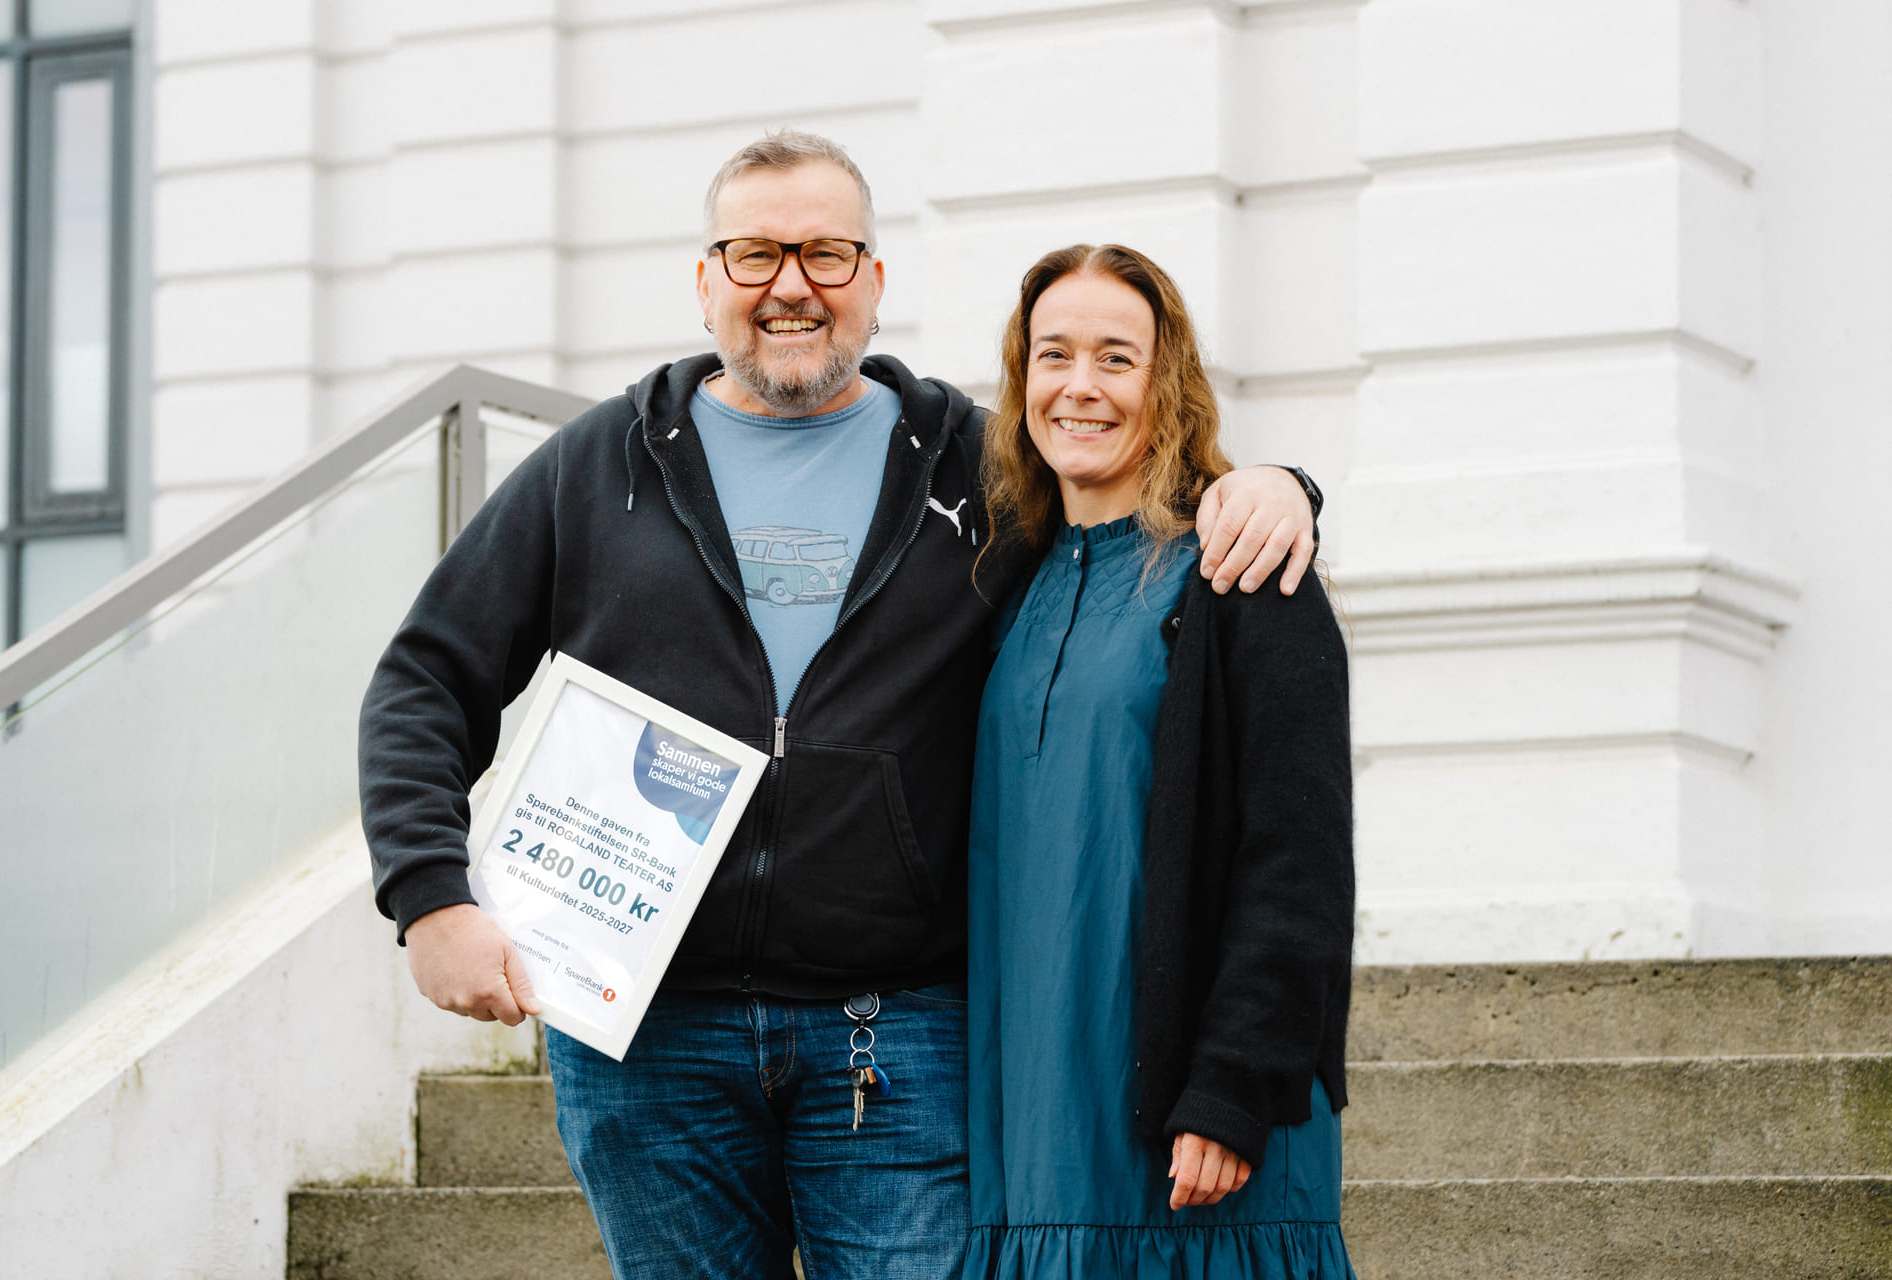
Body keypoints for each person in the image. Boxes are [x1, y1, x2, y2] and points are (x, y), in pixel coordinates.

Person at [358, 133, 1323, 1280]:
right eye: (756, 253)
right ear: (707, 279)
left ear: (872, 280)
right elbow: (426, 677)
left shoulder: (979, 464)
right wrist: (429, 897)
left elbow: (1121, 501)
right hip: (644, 1040)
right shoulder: (599, 464)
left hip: (899, 1035)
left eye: (825, 252)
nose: (791, 286)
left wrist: (1271, 485)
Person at [963, 244, 1355, 1279]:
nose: (1079, 386)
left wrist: (1234, 1085)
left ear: (1165, 380)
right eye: (1053, 355)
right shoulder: (1004, 581)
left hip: (1193, 1129)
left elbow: (1299, 859)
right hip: (1032, 1126)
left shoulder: (1245, 575)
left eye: (1115, 357)